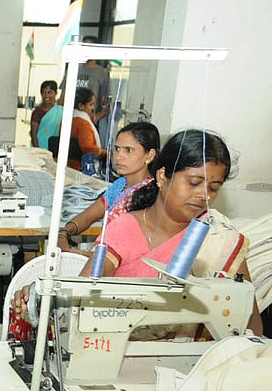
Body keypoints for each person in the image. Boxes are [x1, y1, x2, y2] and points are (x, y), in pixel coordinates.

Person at [14, 129, 263, 336]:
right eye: (194, 183)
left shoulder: (218, 240)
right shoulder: (124, 228)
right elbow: (80, 302)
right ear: (163, 176)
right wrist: (40, 297)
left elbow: (251, 324)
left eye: (214, 188)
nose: (204, 196)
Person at [58, 121, 161, 253]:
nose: (119, 156)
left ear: (150, 155)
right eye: (117, 149)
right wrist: (65, 232)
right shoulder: (120, 185)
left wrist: (72, 252)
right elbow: (88, 217)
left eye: (128, 150)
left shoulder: (150, 195)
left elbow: (126, 254)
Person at [66, 87, 107, 171]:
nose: (92, 108)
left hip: (68, 165)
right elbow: (89, 149)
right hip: (81, 168)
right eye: (90, 105)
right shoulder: (83, 123)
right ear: (81, 106)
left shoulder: (68, 118)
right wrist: (107, 153)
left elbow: (93, 118)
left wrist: (105, 112)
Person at [29, 80, 58, 147]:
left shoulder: (60, 111)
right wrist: (38, 151)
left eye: (50, 92)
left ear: (55, 93)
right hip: (40, 150)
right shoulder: (37, 112)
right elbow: (33, 134)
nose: (46, 95)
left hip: (56, 149)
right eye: (44, 92)